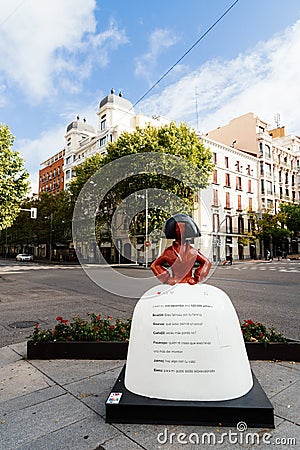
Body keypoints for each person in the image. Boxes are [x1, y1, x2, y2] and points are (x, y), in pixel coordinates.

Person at [150, 214, 211, 284]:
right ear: (174, 230)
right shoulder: (169, 252)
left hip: (189, 283)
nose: (180, 230)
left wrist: (197, 278)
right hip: (175, 283)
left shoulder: (193, 251)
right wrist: (167, 279)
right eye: (178, 228)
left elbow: (207, 263)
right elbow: (154, 265)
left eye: (183, 228)